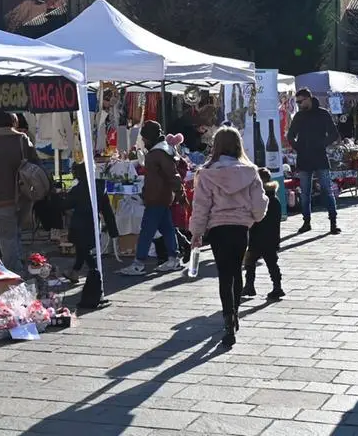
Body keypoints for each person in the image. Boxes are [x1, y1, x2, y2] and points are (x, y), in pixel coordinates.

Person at [189, 126, 269, 348]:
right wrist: (254, 217)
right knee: (236, 269)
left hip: (218, 228)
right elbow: (259, 204)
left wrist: (197, 232)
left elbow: (201, 206)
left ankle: (228, 317)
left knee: (224, 274)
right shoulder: (250, 171)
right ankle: (235, 312)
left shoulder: (206, 173)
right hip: (241, 227)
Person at [0, 111, 40, 273]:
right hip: (24, 195)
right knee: (16, 233)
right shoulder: (22, 139)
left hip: (0, 198)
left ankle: (15, 275)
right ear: (14, 123)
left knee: (7, 239)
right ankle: (19, 269)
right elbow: (35, 163)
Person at [119, 121, 185, 276]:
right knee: (167, 228)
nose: (143, 141)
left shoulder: (157, 153)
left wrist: (179, 192)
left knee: (147, 231)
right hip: (162, 196)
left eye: (144, 138)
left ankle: (139, 263)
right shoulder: (164, 150)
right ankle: (173, 258)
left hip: (156, 197)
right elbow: (169, 174)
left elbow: (170, 174)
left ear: (149, 138)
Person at [286, 88, 341, 235]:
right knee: (305, 192)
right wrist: (298, 147)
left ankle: (333, 222)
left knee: (327, 190)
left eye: (300, 101)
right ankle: (306, 221)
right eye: (297, 102)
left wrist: (322, 144)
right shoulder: (299, 116)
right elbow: (290, 135)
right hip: (304, 157)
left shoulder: (323, 114)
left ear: (309, 98)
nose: (298, 104)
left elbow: (334, 134)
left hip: (319, 156)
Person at [61, 162, 118, 283]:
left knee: (84, 251)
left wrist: (58, 198)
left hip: (80, 223)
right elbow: (107, 211)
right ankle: (75, 272)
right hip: (93, 223)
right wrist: (113, 229)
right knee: (83, 249)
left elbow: (66, 204)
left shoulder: (78, 189)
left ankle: (96, 273)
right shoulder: (100, 187)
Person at [242, 167, 284, 301]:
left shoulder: (259, 198)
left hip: (257, 237)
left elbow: (254, 217)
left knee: (249, 262)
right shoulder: (275, 199)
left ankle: (249, 286)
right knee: (272, 263)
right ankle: (277, 287)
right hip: (271, 238)